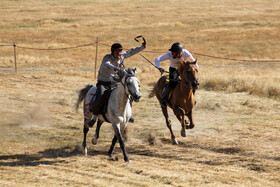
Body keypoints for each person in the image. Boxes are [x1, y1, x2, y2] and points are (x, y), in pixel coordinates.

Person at [90, 41, 146, 122]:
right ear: (112, 52)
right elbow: (106, 63)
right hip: (103, 82)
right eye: (117, 51)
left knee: (127, 93)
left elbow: (130, 52)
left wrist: (142, 47)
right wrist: (114, 67)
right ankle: (95, 116)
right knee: (101, 94)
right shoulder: (107, 57)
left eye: (120, 51)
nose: (119, 53)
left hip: (115, 82)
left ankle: (129, 115)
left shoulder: (122, 56)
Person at [154, 42, 198, 107]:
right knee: (172, 82)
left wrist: (194, 71)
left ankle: (192, 98)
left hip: (184, 69)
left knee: (194, 81)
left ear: (179, 52)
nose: (172, 53)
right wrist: (159, 67)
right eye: (172, 52)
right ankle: (164, 99)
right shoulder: (169, 54)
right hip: (173, 69)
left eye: (173, 52)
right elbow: (157, 59)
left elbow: (195, 65)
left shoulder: (186, 53)